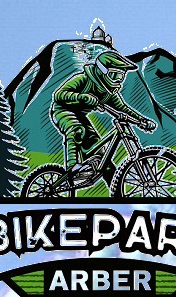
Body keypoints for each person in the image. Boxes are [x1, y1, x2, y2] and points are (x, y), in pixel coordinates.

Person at [45, 26, 152, 189]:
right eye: (114, 75)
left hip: (80, 114)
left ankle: (115, 192)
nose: (118, 81)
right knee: (76, 129)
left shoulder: (109, 92)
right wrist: (84, 98)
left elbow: (123, 108)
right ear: (102, 71)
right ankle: (72, 167)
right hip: (62, 110)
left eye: (121, 77)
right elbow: (59, 95)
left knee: (102, 156)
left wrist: (142, 121)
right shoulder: (83, 79)